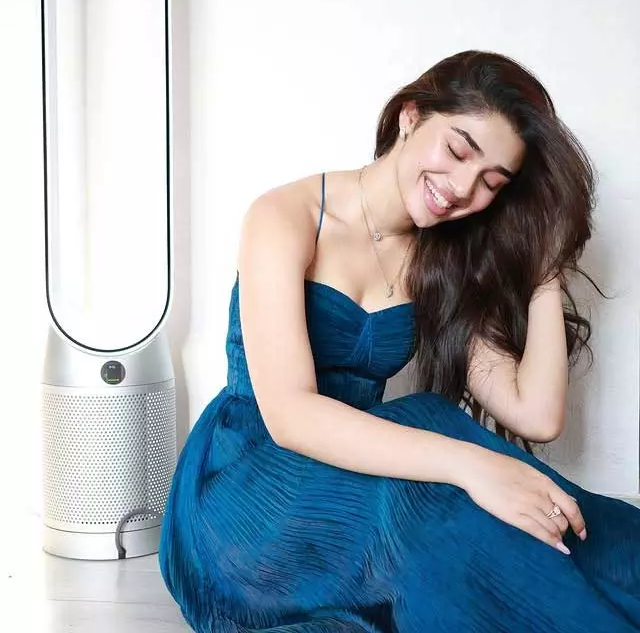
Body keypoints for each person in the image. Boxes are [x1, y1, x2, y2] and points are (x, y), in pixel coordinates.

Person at [158, 50, 640, 632]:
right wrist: (474, 466)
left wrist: (544, 268)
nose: (461, 188)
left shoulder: (446, 259)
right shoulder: (286, 216)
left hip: (362, 472)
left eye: (491, 182)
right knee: (434, 451)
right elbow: (290, 416)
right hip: (247, 490)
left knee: (483, 492)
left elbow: (535, 415)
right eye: (457, 150)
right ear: (412, 116)